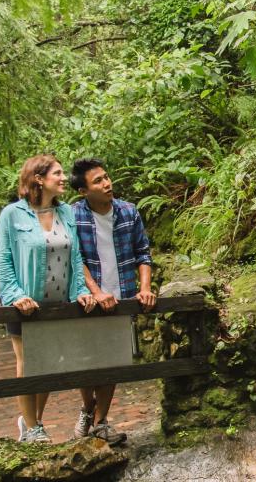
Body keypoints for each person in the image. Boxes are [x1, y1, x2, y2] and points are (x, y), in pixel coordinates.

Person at [0, 154, 94, 443]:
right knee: (28, 364)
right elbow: (3, 261)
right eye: (58, 173)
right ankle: (33, 426)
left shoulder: (67, 214)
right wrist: (15, 296)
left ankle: (32, 422)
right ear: (39, 179)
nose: (64, 178)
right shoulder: (12, 215)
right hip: (26, 306)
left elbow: (75, 257)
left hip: (58, 304)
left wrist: (80, 292)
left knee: (49, 364)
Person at [68, 157, 155, 445]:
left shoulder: (128, 212)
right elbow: (74, 257)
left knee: (112, 362)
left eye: (106, 177)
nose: (107, 184)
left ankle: (101, 421)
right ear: (83, 191)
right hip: (88, 300)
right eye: (98, 181)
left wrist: (144, 288)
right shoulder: (73, 215)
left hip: (122, 297)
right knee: (86, 362)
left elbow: (143, 253)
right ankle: (87, 408)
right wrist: (94, 290)